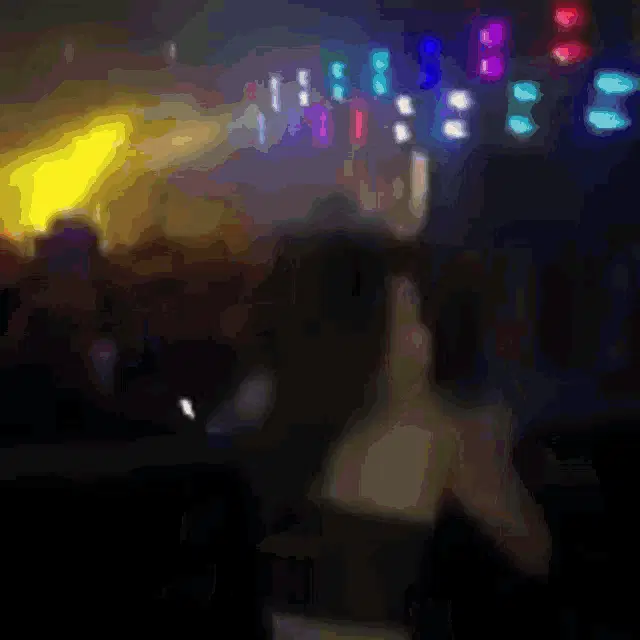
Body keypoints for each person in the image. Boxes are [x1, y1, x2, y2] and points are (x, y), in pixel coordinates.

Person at [239, 194, 550, 626]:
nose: (422, 337)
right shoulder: (432, 431)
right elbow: (535, 557)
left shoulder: (256, 412)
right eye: (409, 318)